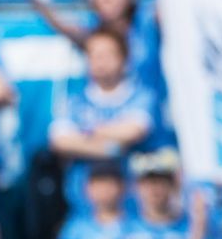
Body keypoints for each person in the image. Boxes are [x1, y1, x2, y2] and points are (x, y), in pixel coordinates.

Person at [48, 27, 156, 217]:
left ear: (124, 58)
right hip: (83, 208)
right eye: (94, 55)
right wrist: (111, 148)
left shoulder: (142, 96)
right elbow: (60, 141)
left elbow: (134, 131)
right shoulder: (74, 101)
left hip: (133, 209)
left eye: (107, 55)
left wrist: (85, 134)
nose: (100, 62)